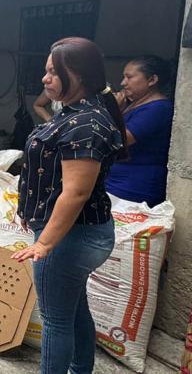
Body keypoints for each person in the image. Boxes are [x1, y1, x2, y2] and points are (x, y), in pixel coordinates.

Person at [12, 37, 125, 374]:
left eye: (53, 72)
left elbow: (75, 193)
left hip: (71, 236)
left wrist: (45, 242)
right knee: (73, 310)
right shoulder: (76, 112)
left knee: (55, 320)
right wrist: (30, 211)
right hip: (70, 231)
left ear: (78, 75)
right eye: (46, 70)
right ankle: (80, 369)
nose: (45, 78)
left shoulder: (86, 124)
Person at [106, 55, 174, 207]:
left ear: (152, 80)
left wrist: (113, 112)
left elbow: (120, 140)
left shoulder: (158, 108)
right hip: (118, 181)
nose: (123, 83)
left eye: (129, 77)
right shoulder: (135, 104)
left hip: (134, 187)